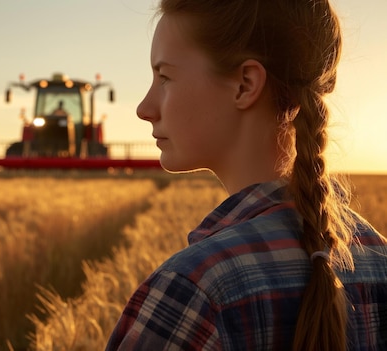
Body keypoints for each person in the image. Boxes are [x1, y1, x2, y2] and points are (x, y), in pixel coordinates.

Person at [105, 0, 387, 350]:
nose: (143, 108)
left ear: (245, 85)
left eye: (164, 77)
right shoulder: (377, 256)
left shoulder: (194, 289)